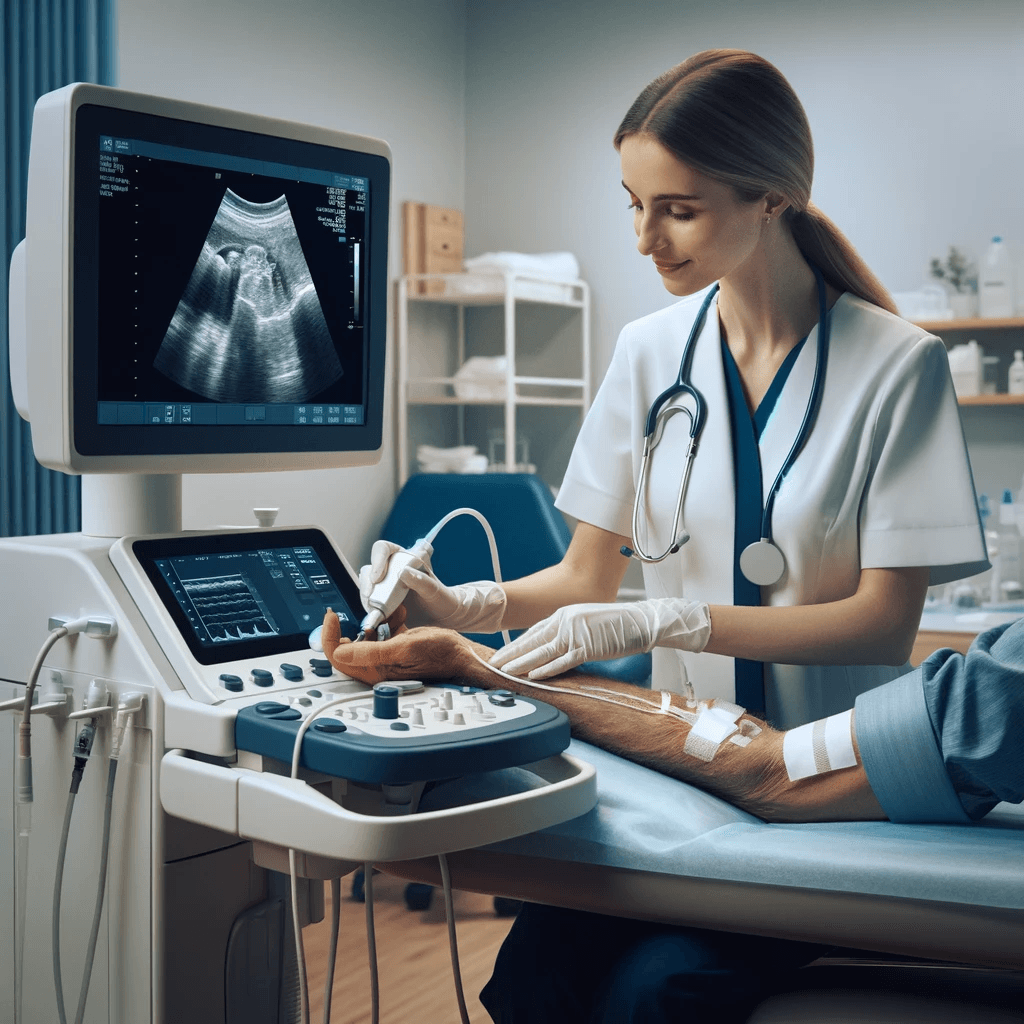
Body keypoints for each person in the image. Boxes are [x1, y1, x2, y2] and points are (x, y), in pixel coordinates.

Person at [355, 47, 990, 1023]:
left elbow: (876, 624)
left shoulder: (896, 366)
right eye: (633, 205)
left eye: (679, 208)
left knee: (656, 993)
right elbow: (580, 577)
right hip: (677, 782)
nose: (647, 240)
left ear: (773, 196)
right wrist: (462, 604)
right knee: (526, 980)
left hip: (821, 790)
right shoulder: (649, 352)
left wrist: (672, 618)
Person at [322, 613, 1024, 1023]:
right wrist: (486, 607)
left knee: (655, 988)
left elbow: (770, 769)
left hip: (838, 807)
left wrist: (471, 661)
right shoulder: (654, 360)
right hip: (711, 786)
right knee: (540, 961)